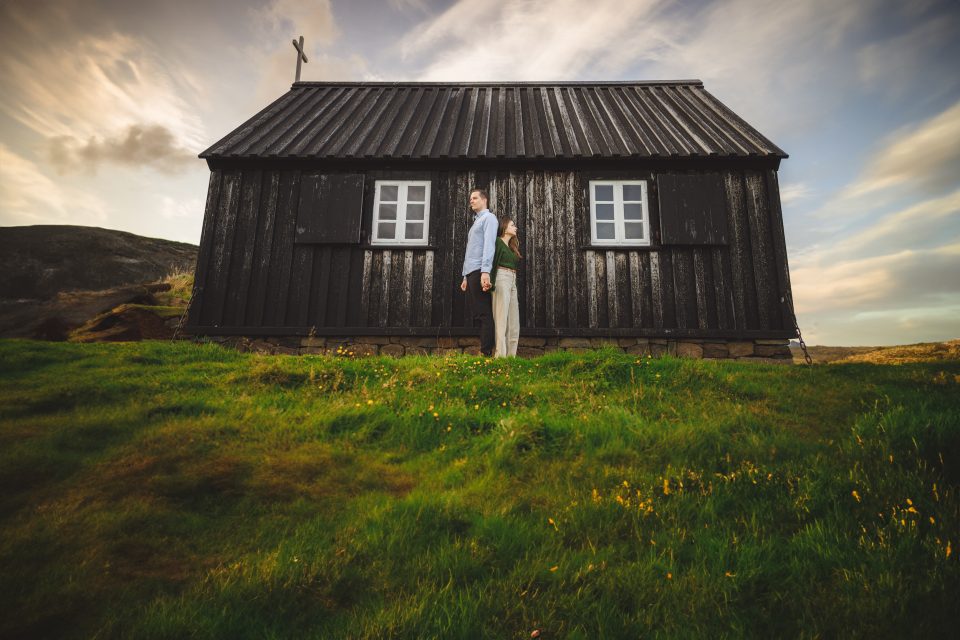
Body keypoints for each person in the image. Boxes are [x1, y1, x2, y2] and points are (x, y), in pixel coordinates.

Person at [460, 189, 498, 356]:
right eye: (470, 199)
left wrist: (485, 272)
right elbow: (471, 250)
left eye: (475, 198)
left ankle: (487, 351)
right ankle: (486, 349)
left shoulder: (489, 218)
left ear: (484, 200)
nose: (471, 201)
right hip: (471, 272)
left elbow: (489, 246)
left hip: (479, 270)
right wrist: (465, 276)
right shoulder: (476, 222)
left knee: (484, 312)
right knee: (478, 312)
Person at [490, 216, 521, 357]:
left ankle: (511, 356)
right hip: (501, 278)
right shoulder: (497, 242)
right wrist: (489, 282)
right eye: (512, 225)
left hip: (512, 279)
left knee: (514, 320)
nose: (515, 228)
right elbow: (492, 263)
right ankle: (500, 356)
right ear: (505, 227)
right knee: (501, 318)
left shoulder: (511, 247)